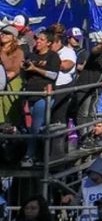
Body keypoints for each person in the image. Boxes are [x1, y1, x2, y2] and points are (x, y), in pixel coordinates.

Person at [20, 29, 61, 167]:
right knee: (35, 128)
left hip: (43, 96)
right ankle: (39, 155)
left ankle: (29, 155)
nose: (38, 41)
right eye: (37, 38)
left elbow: (54, 75)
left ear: (48, 43)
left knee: (36, 126)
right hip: (30, 94)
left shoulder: (53, 56)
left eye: (41, 39)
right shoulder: (31, 55)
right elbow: (26, 74)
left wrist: (35, 69)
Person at [0, 24, 25, 123]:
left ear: (13, 37)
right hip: (2, 80)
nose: (3, 35)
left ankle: (13, 131)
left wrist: (2, 52)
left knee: (10, 107)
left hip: (13, 82)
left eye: (7, 34)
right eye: (2, 33)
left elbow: (13, 68)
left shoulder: (18, 52)